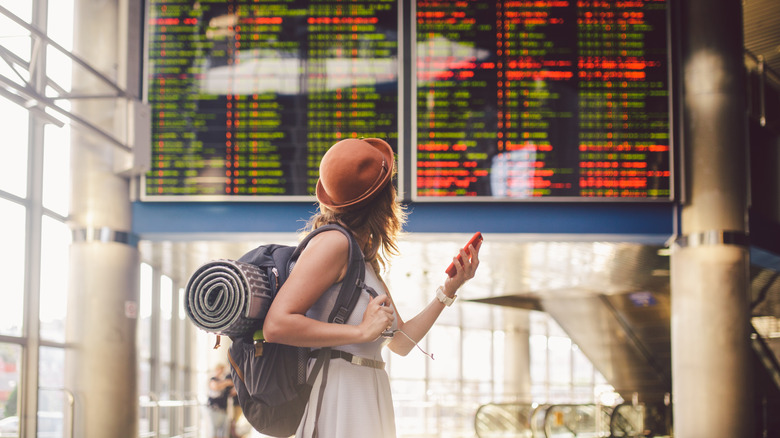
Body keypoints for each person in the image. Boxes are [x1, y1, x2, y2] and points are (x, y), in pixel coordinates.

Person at [263, 138, 482, 438]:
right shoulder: (334, 244)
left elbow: (401, 342)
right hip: (338, 400)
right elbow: (276, 324)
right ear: (383, 198)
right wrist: (360, 332)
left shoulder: (360, 257)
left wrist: (449, 290)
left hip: (362, 393)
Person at [206, 363, 234, 438]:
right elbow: (215, 387)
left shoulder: (224, 382)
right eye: (220, 369)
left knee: (224, 433)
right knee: (213, 432)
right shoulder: (213, 379)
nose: (222, 371)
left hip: (224, 410)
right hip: (214, 410)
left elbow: (231, 393)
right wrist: (227, 382)